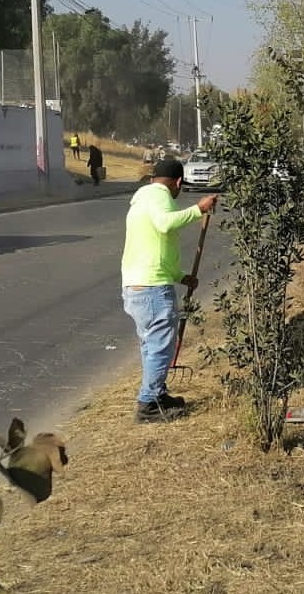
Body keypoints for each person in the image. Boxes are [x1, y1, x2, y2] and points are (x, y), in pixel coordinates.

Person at [121, 158, 217, 423]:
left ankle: (158, 394)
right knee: (161, 346)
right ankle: (148, 404)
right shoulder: (160, 197)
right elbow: (165, 224)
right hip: (151, 288)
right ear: (177, 183)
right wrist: (199, 209)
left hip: (137, 285)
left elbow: (157, 249)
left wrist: (180, 276)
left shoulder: (143, 199)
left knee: (151, 346)